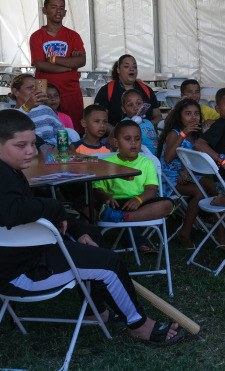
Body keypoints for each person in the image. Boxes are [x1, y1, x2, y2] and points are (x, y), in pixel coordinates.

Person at [0, 110, 183, 345]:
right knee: (109, 263)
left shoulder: (10, 171)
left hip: (25, 253)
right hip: (18, 273)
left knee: (91, 232)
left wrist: (75, 229)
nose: (31, 151)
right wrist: (54, 209)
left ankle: (96, 310)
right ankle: (139, 325)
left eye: (33, 143)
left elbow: (32, 210)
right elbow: (13, 211)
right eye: (20, 145)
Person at [93, 120, 174, 255]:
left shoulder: (147, 162)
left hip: (140, 202)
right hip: (115, 202)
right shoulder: (106, 162)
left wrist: (139, 199)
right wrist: (106, 197)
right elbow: (97, 188)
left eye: (137, 139)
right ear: (116, 142)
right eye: (127, 139)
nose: (133, 143)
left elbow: (151, 189)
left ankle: (121, 217)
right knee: (94, 204)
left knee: (168, 204)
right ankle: (134, 234)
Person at [29, 0, 86, 133]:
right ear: (45, 10)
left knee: (74, 131)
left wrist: (53, 59)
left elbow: (82, 61)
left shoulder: (73, 36)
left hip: (71, 91)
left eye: (61, 8)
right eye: (53, 7)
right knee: (45, 130)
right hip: (45, 92)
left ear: (65, 12)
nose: (58, 11)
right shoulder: (37, 36)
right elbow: (40, 65)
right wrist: (70, 66)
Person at [157, 98, 208, 251]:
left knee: (213, 185)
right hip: (169, 179)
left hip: (187, 176)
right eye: (188, 114)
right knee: (199, 192)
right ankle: (185, 232)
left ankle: (220, 232)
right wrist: (184, 134)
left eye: (196, 113)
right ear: (179, 117)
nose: (193, 117)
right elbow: (168, 158)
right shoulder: (175, 133)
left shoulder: (197, 135)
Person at [94, 54, 161, 130]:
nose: (131, 69)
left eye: (134, 66)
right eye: (126, 66)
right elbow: (99, 119)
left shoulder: (147, 90)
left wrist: (145, 127)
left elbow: (158, 116)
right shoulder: (106, 90)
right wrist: (118, 134)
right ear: (118, 70)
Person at [10, 74, 65, 153]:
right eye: (29, 88)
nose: (34, 91)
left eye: (35, 88)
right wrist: (27, 107)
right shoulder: (8, 113)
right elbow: (11, 127)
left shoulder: (46, 110)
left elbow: (61, 133)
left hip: (51, 153)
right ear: (15, 92)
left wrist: (62, 152)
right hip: (24, 154)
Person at [120, 89, 158, 156]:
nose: (136, 108)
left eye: (138, 103)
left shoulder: (148, 122)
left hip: (154, 158)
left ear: (143, 104)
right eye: (130, 105)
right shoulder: (124, 124)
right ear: (124, 109)